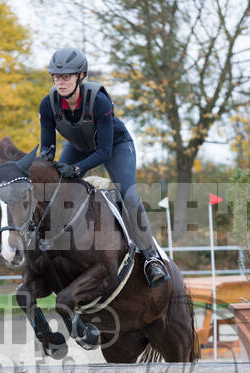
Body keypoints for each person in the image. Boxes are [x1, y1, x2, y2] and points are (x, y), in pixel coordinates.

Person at [39, 47, 170, 287]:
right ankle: (50, 251)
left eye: (66, 77)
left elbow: (104, 151)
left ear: (80, 76)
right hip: (79, 146)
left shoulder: (99, 101)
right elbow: (47, 148)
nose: (60, 82)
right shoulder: (48, 104)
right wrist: (44, 172)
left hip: (115, 146)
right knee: (51, 191)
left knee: (129, 196)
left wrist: (77, 170)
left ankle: (152, 259)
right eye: (56, 77)